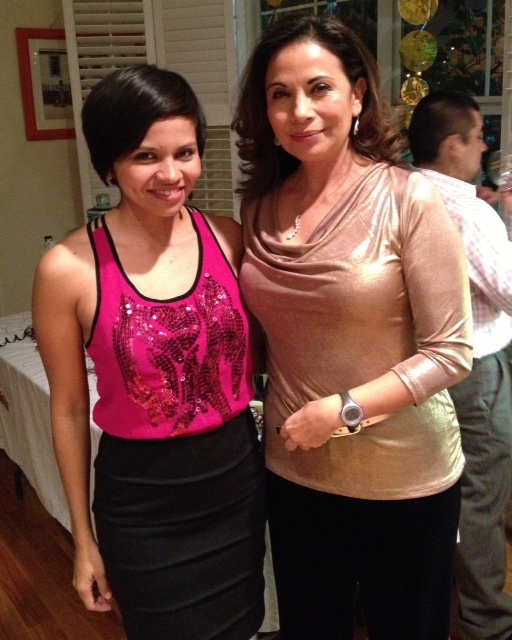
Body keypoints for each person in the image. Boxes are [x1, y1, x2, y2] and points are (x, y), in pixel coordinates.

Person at [231, 13, 473, 640]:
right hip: (295, 470)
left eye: (320, 88)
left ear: (358, 94)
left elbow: (451, 353)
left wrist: (340, 412)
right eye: (280, 94)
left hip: (405, 477)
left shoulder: (408, 197)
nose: (300, 111)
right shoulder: (257, 206)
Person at [32, 64, 266, 640]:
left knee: (243, 626)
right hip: (143, 506)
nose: (171, 174)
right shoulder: (68, 269)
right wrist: (82, 539)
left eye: (185, 153)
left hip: (236, 484)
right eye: (145, 156)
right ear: (109, 163)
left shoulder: (229, 238)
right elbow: (68, 408)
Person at [408, 89, 512, 640]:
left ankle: (436, 601)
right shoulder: (469, 213)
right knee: (480, 496)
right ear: (453, 145)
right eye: (477, 138)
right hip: (477, 371)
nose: (483, 147)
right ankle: (488, 622)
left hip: (419, 371)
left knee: (436, 488)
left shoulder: (402, 194)